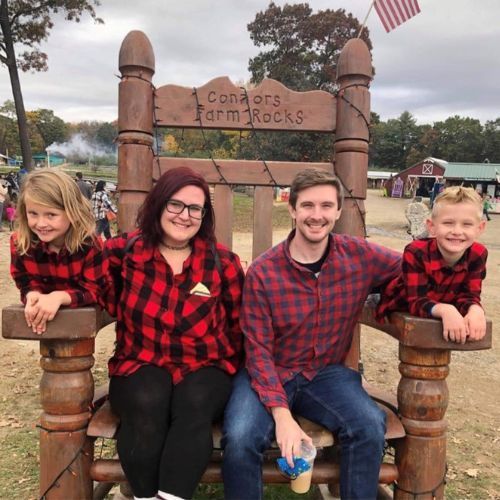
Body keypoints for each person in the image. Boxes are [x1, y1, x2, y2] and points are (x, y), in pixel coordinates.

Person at [221, 169, 401, 500]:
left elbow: (417, 271)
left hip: (326, 374)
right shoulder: (264, 272)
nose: (316, 215)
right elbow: (257, 351)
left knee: (367, 425)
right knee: (241, 435)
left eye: (325, 206)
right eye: (307, 206)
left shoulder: (361, 256)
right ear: (291, 209)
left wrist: (455, 305)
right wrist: (282, 416)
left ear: (337, 211)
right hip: (268, 372)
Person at [102, 167, 245, 500]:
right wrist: (52, 294)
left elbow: (240, 324)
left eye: (195, 208)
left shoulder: (222, 262)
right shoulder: (125, 252)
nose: (185, 215)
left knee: (194, 403)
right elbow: (85, 279)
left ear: (204, 215)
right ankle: (145, 496)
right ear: (158, 204)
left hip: (206, 364)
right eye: (176, 205)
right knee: (149, 399)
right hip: (139, 360)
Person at [376, 186, 487, 344]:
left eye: (466, 224)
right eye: (448, 223)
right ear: (432, 227)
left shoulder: (478, 254)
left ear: (480, 228)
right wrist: (445, 310)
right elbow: (415, 300)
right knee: (371, 296)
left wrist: (475, 309)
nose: (457, 231)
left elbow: (469, 295)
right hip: (400, 298)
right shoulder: (416, 251)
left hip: (441, 297)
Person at [10, 169, 105, 335]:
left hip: (82, 316)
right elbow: (23, 279)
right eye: (33, 213)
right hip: (47, 316)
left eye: (51, 215)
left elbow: (94, 290)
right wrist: (31, 294)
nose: (41, 223)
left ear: (72, 213)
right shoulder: (20, 243)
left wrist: (58, 297)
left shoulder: (91, 245)